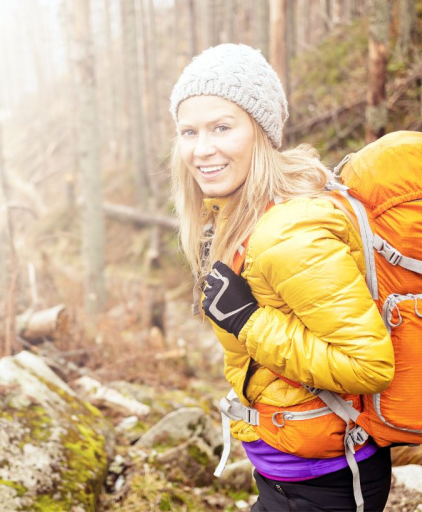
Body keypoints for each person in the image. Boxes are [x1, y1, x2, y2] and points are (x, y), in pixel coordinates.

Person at [168, 43, 395, 511]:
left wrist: (248, 322)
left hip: (327, 484)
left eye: (222, 127)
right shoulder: (241, 218)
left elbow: (370, 365)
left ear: (261, 132)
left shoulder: (287, 232)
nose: (201, 149)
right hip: (288, 471)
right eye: (188, 131)